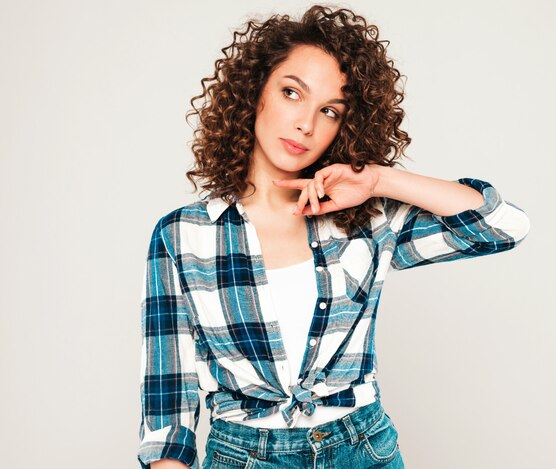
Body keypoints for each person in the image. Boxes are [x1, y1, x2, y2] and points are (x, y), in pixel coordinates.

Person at [137, 5, 531, 468]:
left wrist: (379, 180)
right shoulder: (184, 235)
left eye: (329, 110)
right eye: (291, 93)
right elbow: (168, 400)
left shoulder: (367, 220)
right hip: (245, 455)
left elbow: (502, 226)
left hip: (362, 448)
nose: (306, 123)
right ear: (253, 93)